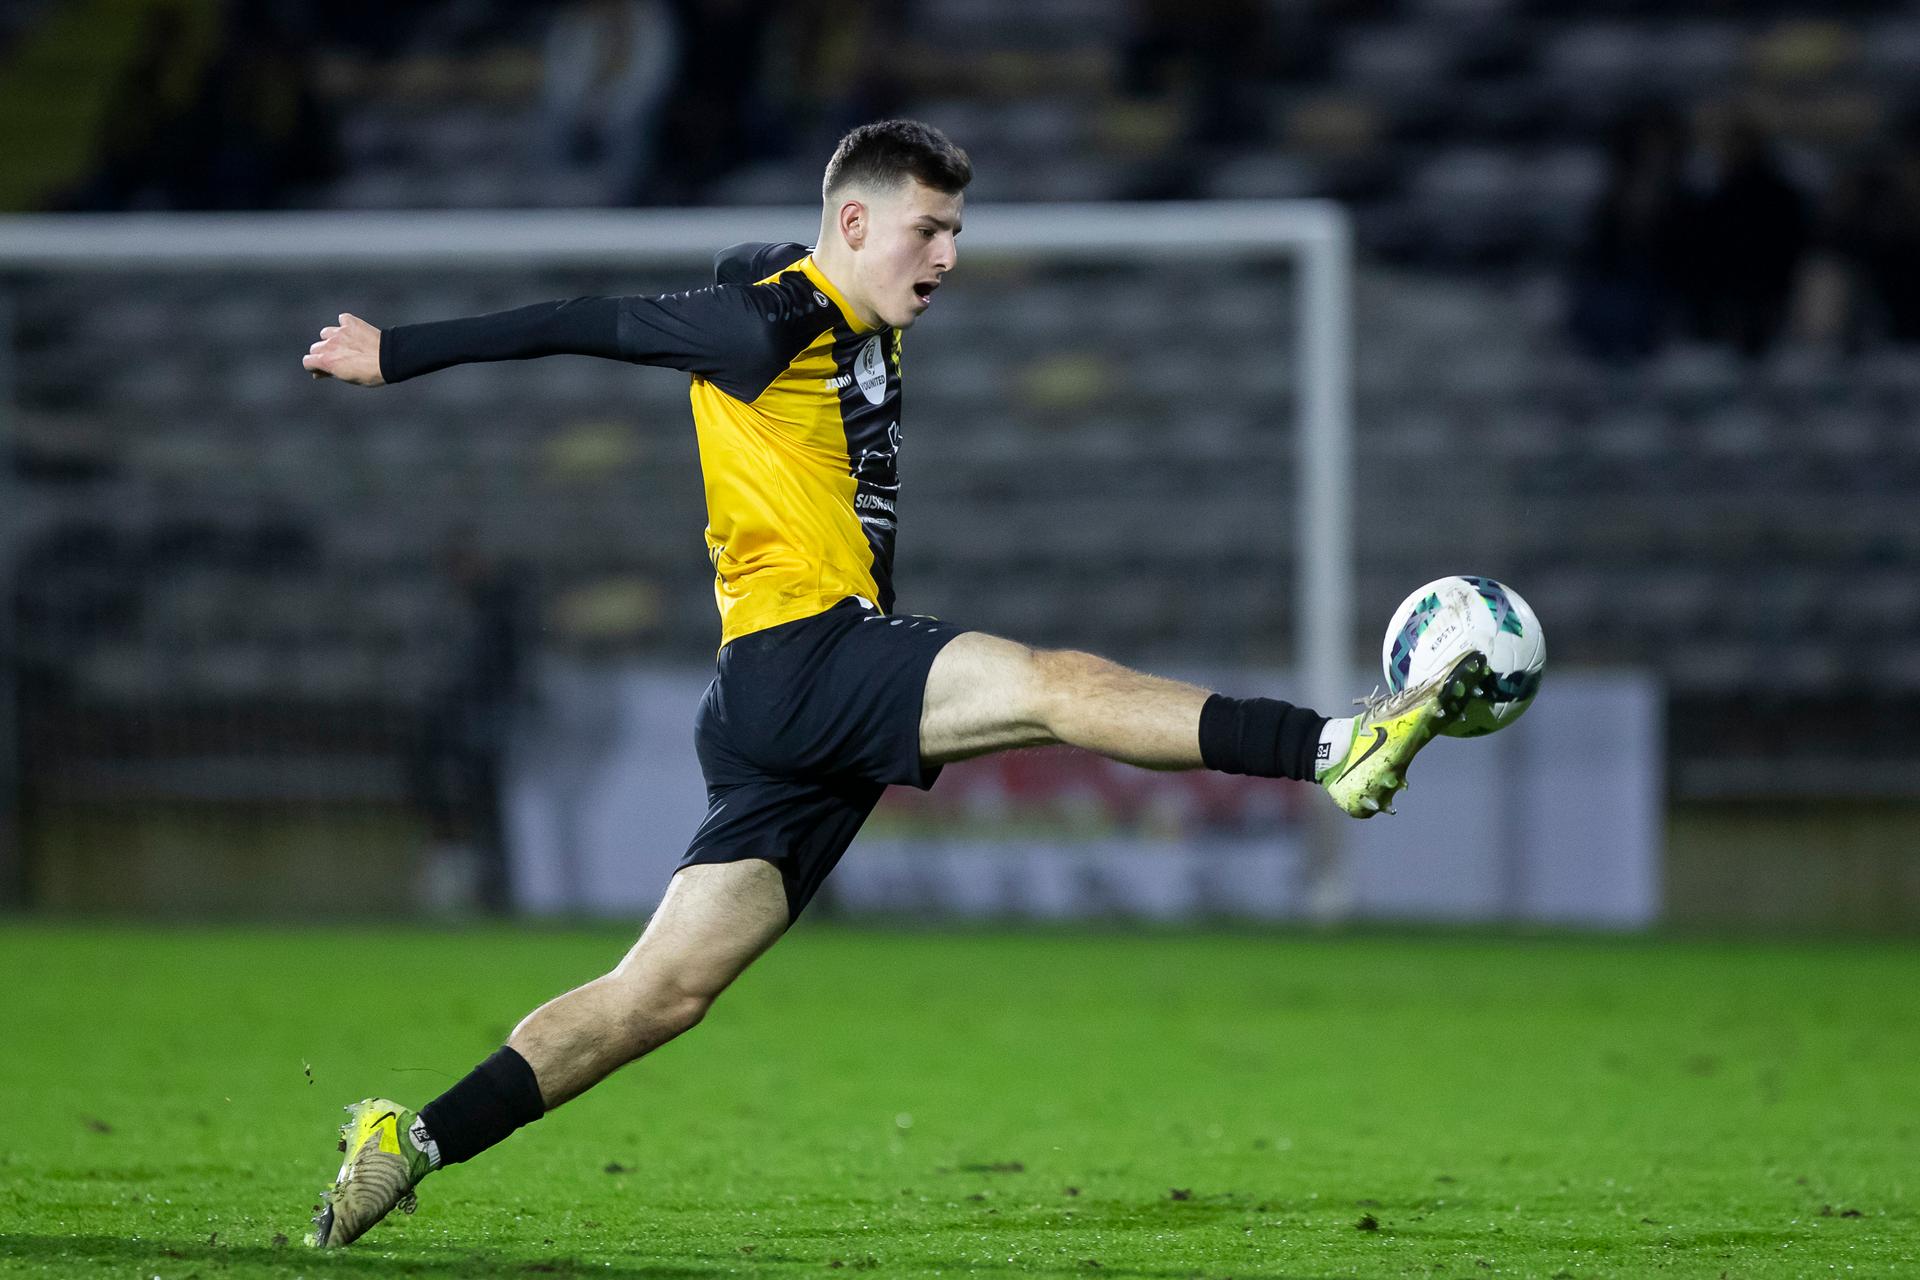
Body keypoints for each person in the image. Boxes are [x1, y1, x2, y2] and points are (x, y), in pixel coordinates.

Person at [298, 119, 1491, 1248]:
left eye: (959, 230)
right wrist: (393, 353)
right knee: (1052, 684)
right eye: (929, 228)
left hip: (772, 708)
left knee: (657, 994)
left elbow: (756, 253)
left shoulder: (850, 305)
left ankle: (409, 1139)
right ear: (855, 225)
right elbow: (584, 319)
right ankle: (1335, 745)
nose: (950, 256)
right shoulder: (765, 321)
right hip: (802, 652)